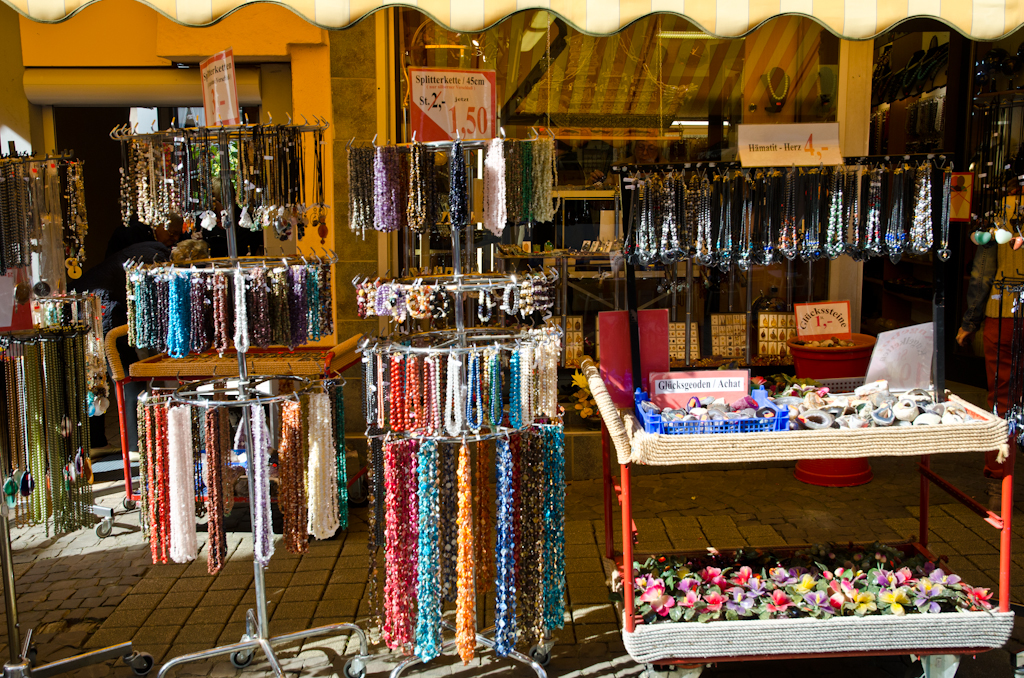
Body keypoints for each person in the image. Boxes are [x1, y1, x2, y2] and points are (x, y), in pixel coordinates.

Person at [73, 233, 177, 454]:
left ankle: (99, 442)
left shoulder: (149, 251)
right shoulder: (154, 258)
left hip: (94, 308)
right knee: (126, 378)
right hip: (100, 313)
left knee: (99, 376)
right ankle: (133, 445)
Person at [956, 235, 1024, 509]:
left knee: (1002, 402)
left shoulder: (999, 216)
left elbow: (982, 274)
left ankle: (998, 481)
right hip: (1006, 318)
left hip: (1006, 315)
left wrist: (970, 321)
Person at [589, 140, 664, 185]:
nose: (644, 153)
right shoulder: (618, 170)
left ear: (657, 151)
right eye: (641, 147)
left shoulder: (667, 172)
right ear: (634, 149)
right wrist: (597, 183)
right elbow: (606, 200)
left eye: (651, 149)